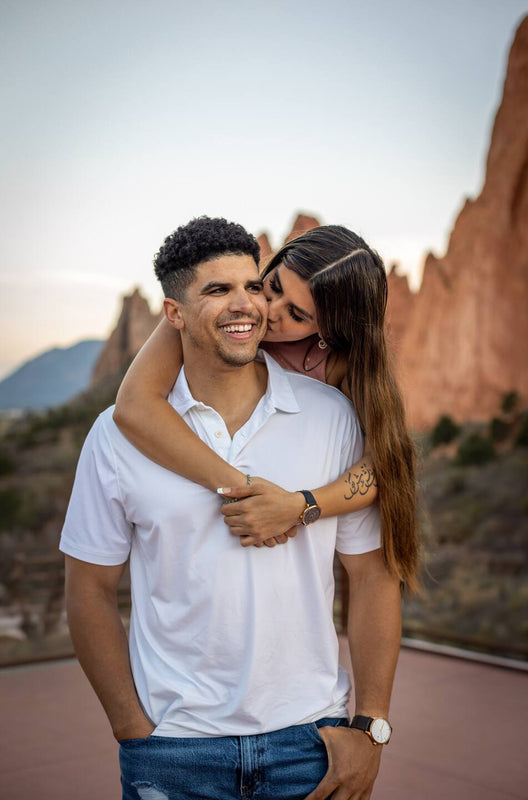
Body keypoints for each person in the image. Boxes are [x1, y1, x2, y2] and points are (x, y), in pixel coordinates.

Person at [61, 217, 403, 800]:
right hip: (175, 749)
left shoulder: (333, 414)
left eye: (285, 308)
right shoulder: (120, 431)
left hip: (309, 745)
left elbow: (374, 567)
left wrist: (368, 727)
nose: (259, 309)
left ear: (322, 332)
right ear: (174, 314)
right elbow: (89, 585)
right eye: (247, 288)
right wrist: (133, 729)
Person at [114, 222, 418, 589]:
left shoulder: (345, 366)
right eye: (272, 287)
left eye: (297, 315)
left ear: (327, 333)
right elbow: (133, 404)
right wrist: (241, 490)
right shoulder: (214, 311)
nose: (269, 311)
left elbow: (381, 466)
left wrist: (298, 507)